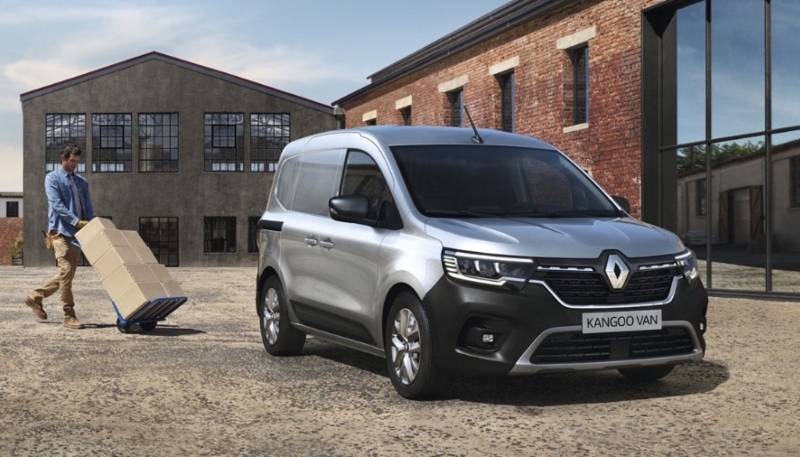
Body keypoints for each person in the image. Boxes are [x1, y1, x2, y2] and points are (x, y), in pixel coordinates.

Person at [25, 144, 94, 329]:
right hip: (59, 233)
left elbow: (88, 206)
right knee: (66, 271)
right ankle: (68, 315)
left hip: (77, 235)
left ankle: (35, 297)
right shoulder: (52, 178)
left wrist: (91, 224)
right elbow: (56, 204)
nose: (75, 165)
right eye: (72, 161)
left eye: (77, 162)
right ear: (62, 159)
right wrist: (75, 221)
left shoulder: (81, 182)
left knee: (67, 275)